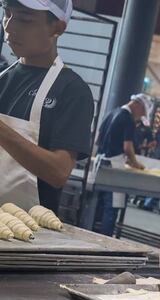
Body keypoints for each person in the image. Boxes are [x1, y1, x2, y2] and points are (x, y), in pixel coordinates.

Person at [0, 0, 93, 212]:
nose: (9, 25)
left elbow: (58, 172)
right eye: (7, 13)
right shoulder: (2, 79)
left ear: (58, 28)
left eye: (24, 19)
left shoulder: (72, 91)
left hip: (30, 230)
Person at [93, 93, 151, 235]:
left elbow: (97, 140)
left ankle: (92, 232)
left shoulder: (111, 113)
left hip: (100, 164)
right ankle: (105, 242)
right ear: (137, 105)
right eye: (142, 112)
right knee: (112, 207)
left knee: (96, 205)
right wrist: (135, 163)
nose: (140, 116)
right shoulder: (128, 119)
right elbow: (127, 147)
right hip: (115, 167)